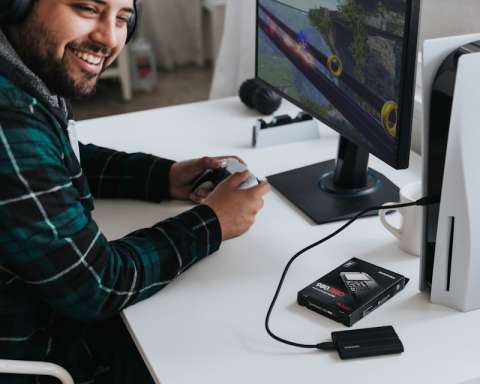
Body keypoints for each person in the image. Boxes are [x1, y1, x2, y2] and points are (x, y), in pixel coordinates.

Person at [0, 0, 270, 383]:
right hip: (38, 352)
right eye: (87, 8)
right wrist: (212, 223)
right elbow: (96, 285)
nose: (110, 38)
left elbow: (54, 156)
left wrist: (164, 176)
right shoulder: (7, 118)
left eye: (123, 18)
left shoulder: (21, 72)